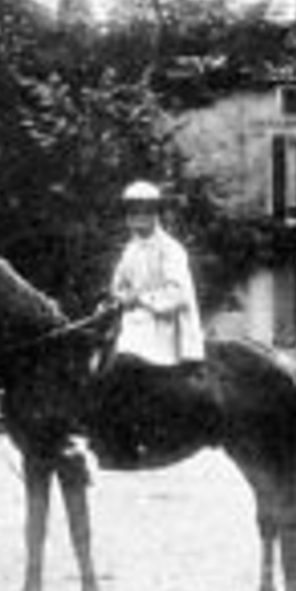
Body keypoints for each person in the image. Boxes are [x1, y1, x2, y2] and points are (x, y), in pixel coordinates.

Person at [98, 181, 206, 463]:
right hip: (133, 319)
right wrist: (119, 299)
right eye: (132, 212)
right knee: (97, 356)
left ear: (156, 214)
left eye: (144, 212)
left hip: (164, 324)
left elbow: (178, 294)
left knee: (126, 360)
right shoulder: (131, 249)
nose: (137, 219)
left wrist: (141, 300)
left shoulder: (171, 250)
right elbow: (118, 285)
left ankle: (132, 440)